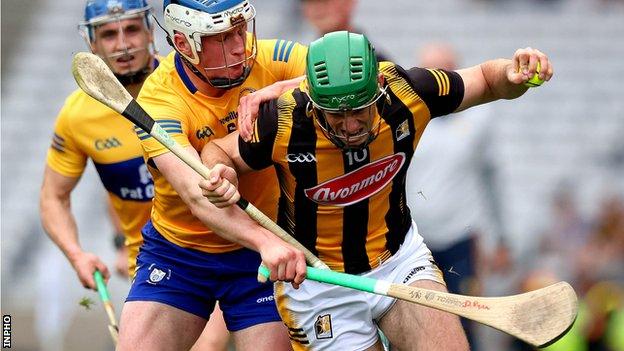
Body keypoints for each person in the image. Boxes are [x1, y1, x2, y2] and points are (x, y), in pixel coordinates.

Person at [199, 31, 553, 350]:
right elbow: (219, 150)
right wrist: (221, 172)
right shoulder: (284, 121)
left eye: (360, 111)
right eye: (335, 116)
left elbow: (488, 81)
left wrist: (514, 74)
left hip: (399, 260)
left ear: (379, 85)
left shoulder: (408, 92)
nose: (350, 126)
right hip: (319, 284)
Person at [118, 0, 310, 350]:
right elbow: (197, 197)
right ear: (183, 42)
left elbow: (372, 72)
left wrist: (273, 91)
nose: (240, 46)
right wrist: (266, 242)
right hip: (180, 254)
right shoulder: (158, 100)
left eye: (240, 31)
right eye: (222, 38)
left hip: (265, 255)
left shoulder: (273, 57)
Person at [39, 1, 231, 350]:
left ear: (150, 32)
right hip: (158, 265)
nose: (123, 44)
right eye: (109, 34)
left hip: (227, 247)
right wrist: (77, 255)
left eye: (131, 30)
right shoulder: (77, 117)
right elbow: (55, 196)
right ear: (91, 44)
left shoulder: (192, 81)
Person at [406, 42, 512, 350]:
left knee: (466, 322)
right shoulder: (407, 117)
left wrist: (503, 239)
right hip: (414, 243)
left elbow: (493, 181)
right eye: (429, 70)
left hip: (461, 240)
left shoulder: (479, 118)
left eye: (445, 69)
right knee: (415, 322)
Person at [299, 0, 391, 62]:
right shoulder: (300, 62)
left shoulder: (376, 62)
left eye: (325, 1)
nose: (317, 9)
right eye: (310, 2)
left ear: (349, 2)